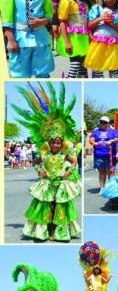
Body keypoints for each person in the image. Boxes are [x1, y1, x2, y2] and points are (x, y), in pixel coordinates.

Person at [12, 83, 82, 242]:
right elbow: (35, 162)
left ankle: (58, 231)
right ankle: (47, 231)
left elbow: (73, 163)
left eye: (58, 143)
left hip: (59, 184)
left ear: (61, 143)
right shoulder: (44, 154)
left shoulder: (64, 154)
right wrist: (39, 170)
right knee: (47, 207)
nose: (56, 145)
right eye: (53, 143)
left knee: (59, 207)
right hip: (46, 184)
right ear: (49, 144)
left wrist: (67, 173)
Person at [1, 0, 56, 78]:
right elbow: (6, 18)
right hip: (19, 39)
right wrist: (11, 40)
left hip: (41, 39)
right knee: (20, 74)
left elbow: (49, 12)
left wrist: (42, 21)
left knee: (43, 72)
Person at [83, 0, 118, 77]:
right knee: (98, 69)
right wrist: (100, 18)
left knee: (114, 69)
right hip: (98, 44)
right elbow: (89, 26)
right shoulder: (96, 9)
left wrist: (112, 23)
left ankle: (115, 88)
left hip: (113, 45)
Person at [56, 0, 95, 78]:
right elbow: (62, 22)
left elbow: (87, 20)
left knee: (83, 68)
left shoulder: (86, 1)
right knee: (75, 66)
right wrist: (66, 42)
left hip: (84, 38)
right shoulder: (66, 1)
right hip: (73, 38)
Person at [89, 116, 118, 191]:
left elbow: (117, 138)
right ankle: (102, 188)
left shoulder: (113, 131)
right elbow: (91, 140)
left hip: (110, 155)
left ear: (108, 124)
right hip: (98, 155)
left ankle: (110, 188)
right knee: (101, 172)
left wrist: (111, 141)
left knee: (110, 172)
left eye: (104, 122)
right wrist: (94, 143)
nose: (102, 124)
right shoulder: (96, 132)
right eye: (101, 122)